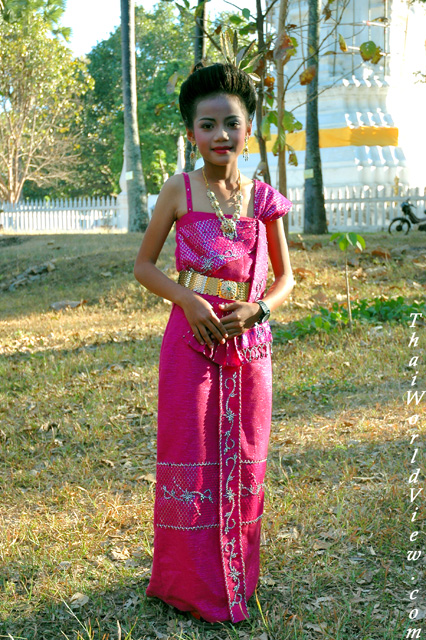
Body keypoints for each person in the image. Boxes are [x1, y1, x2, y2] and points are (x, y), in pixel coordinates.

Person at [133, 62, 295, 625]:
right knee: (192, 458)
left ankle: (236, 577)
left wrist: (260, 309)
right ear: (190, 133)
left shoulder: (264, 198)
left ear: (249, 129)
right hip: (190, 340)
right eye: (207, 125)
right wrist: (188, 300)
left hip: (249, 347)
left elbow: (285, 278)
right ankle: (186, 583)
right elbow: (143, 265)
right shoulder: (179, 189)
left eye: (232, 123)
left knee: (245, 456)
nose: (220, 135)